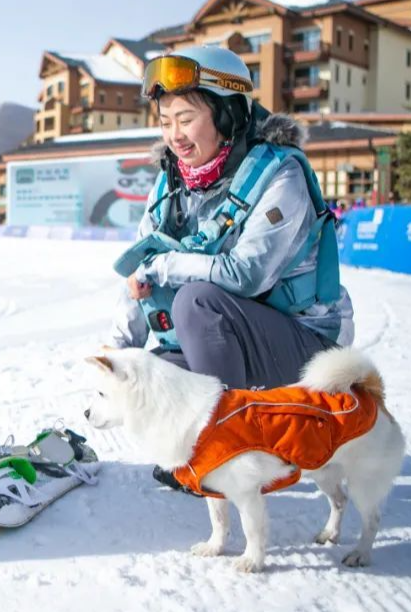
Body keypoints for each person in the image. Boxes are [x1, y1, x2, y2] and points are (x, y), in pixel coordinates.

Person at [108, 46, 354, 391]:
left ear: (227, 116)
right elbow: (141, 267)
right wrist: (115, 359)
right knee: (150, 380)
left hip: (311, 348)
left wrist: (163, 266)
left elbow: (246, 275)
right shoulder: (170, 183)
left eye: (186, 119)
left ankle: (231, 437)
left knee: (196, 302)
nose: (174, 136)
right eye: (166, 122)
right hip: (233, 341)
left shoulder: (280, 174)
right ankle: (218, 428)